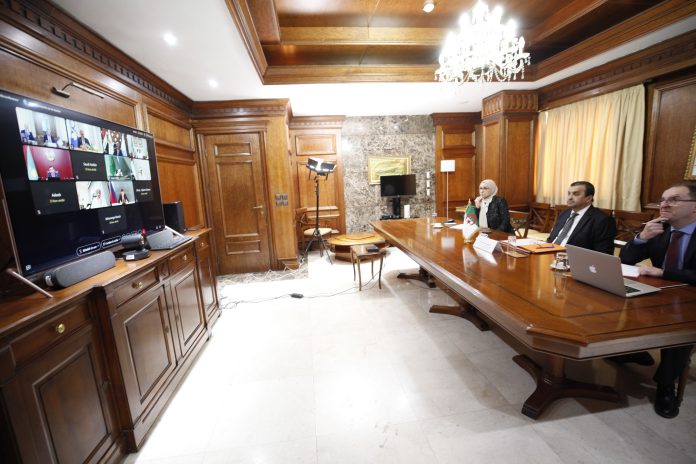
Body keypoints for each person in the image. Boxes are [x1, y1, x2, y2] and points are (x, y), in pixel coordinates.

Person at [618, 181, 696, 418]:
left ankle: (666, 384)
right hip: (662, 292)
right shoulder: (660, 228)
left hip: (691, 297)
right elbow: (626, 259)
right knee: (616, 301)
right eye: (663, 199)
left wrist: (664, 272)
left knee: (680, 326)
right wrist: (641, 238)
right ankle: (629, 350)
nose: (664, 204)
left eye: (674, 199)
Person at [546, 181, 616, 254]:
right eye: (569, 193)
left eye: (576, 194)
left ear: (588, 198)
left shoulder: (603, 220)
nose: (570, 197)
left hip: (572, 257)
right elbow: (552, 238)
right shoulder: (564, 213)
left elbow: (603, 253)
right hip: (548, 252)